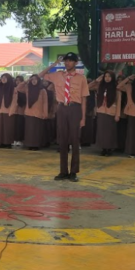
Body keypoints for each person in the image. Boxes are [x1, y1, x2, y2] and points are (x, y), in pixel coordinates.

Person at [39, 53, 89, 182]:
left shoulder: (81, 78)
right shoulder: (58, 75)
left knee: (75, 140)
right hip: (62, 108)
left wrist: (83, 118)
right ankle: (63, 171)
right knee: (62, 140)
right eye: (66, 61)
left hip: (75, 108)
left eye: (71, 61)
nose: (68, 63)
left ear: (76, 63)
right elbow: (40, 75)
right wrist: (54, 65)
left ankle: (73, 172)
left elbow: (84, 99)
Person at [90, 71, 121, 156]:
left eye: (109, 76)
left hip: (111, 112)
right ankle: (103, 148)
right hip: (101, 111)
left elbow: (118, 102)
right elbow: (87, 87)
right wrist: (96, 81)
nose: (107, 78)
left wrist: (117, 114)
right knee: (101, 131)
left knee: (110, 132)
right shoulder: (100, 86)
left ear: (113, 78)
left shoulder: (116, 88)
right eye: (105, 76)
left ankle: (109, 148)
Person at [14, 74, 49, 150]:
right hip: (29, 112)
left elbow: (45, 102)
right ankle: (30, 144)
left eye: (35, 79)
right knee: (29, 130)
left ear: (38, 80)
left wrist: (45, 113)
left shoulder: (42, 90)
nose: (33, 81)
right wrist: (26, 81)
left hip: (38, 113)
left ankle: (36, 145)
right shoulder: (27, 89)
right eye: (32, 79)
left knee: (36, 130)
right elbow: (18, 88)